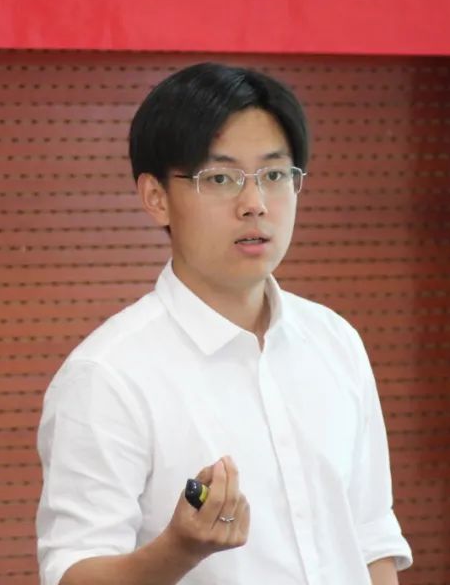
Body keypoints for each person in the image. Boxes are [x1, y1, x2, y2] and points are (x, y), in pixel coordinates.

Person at [35, 63, 413, 585]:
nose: (254, 204)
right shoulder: (107, 375)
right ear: (156, 198)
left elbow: (371, 538)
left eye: (275, 176)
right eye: (220, 179)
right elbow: (74, 574)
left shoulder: (334, 340)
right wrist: (178, 551)